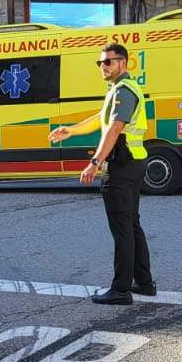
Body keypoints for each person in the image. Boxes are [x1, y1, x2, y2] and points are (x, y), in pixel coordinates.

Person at [49, 43, 154, 305]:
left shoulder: (124, 90)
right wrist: (71, 130)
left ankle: (120, 290)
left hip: (121, 166)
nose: (103, 67)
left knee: (122, 230)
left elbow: (114, 129)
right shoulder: (119, 90)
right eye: (100, 63)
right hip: (133, 162)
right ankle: (144, 282)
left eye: (108, 62)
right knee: (131, 225)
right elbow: (101, 118)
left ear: (123, 63)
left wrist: (95, 162)